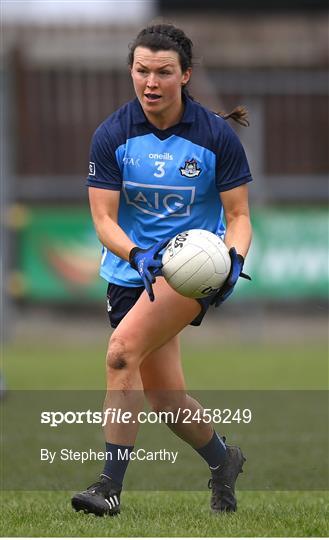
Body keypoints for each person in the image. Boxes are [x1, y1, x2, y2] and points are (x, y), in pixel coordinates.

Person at [71, 22, 252, 517]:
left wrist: (233, 260)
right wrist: (135, 255)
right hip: (132, 273)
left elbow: (238, 216)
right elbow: (103, 219)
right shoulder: (113, 134)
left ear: (185, 75)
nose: (151, 82)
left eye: (163, 72)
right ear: (132, 71)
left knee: (119, 353)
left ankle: (108, 487)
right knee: (166, 399)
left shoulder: (215, 137)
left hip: (189, 273)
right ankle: (223, 460)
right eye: (142, 70)